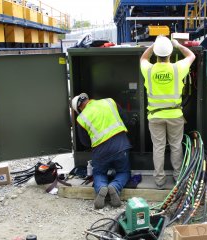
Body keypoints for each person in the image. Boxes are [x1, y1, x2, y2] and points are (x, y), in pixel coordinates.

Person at [140, 35, 196, 189]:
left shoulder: (149, 69)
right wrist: (178, 44)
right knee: (176, 146)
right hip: (174, 116)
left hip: (155, 116)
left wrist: (153, 44)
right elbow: (192, 55)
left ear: (156, 54)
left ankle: (159, 180)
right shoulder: (178, 68)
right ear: (170, 53)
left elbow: (143, 58)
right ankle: (178, 177)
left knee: (158, 147)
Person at [71, 93, 131, 209]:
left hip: (100, 150)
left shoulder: (81, 118)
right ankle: (115, 186)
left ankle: (101, 188)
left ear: (79, 108)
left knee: (99, 173)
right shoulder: (109, 101)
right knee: (124, 172)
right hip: (121, 145)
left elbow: (84, 142)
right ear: (88, 99)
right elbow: (125, 119)